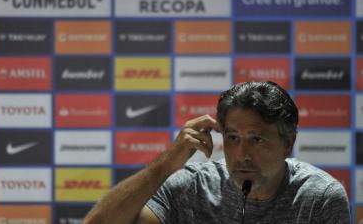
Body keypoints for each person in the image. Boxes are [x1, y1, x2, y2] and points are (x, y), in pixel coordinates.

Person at [83, 81, 351, 224]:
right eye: (232, 137)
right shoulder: (191, 186)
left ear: (287, 143)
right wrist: (165, 167)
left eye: (257, 139)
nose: (242, 153)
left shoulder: (320, 197)